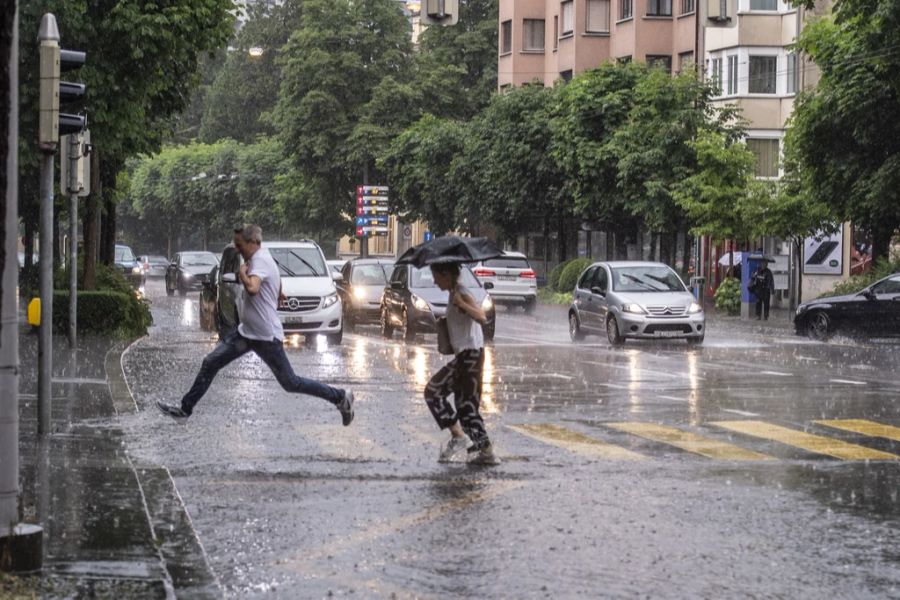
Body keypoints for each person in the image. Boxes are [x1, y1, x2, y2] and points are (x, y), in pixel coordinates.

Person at [156, 224, 354, 425]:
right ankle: (185, 410)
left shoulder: (258, 261)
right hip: (246, 334)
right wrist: (278, 292)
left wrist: (242, 273)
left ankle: (340, 396)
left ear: (253, 243)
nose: (237, 248)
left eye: (240, 245)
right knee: (210, 362)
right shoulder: (262, 257)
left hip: (265, 337)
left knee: (290, 383)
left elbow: (252, 288)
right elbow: (275, 280)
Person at [424, 262, 500, 466]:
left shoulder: (461, 293)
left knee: (433, 390)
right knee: (465, 406)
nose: (434, 280)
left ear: (446, 274)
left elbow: (482, 317)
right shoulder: (454, 294)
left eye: (436, 276)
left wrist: (462, 304)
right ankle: (486, 451)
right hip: (467, 356)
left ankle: (459, 437)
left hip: (470, 356)